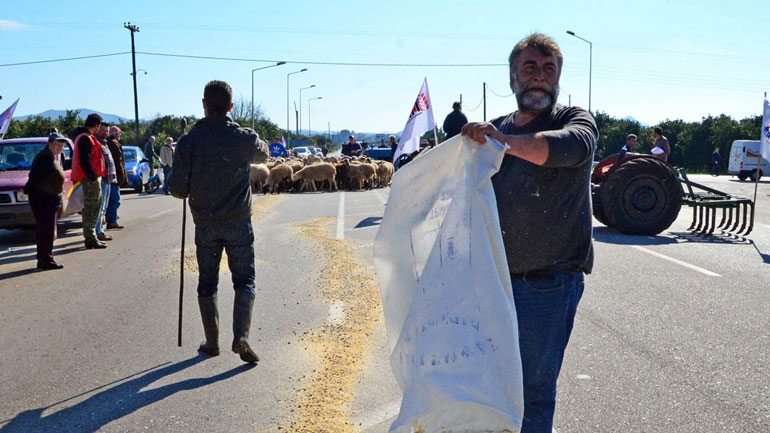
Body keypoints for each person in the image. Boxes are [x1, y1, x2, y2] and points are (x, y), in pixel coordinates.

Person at [461, 33, 597, 433]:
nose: (539, 77)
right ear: (512, 77)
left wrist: (502, 143)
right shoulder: (496, 129)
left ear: (558, 78)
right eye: (530, 68)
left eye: (548, 69)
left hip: (547, 286)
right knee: (488, 383)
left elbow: (569, 147)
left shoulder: (573, 120)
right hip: (491, 281)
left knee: (533, 394)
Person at [169, 80, 268, 364]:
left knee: (207, 283)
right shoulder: (241, 138)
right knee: (244, 280)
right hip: (238, 223)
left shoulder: (189, 141)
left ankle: (212, 342)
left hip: (206, 225)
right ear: (230, 107)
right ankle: (241, 338)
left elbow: (178, 190)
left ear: (203, 105)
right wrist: (245, 131)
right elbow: (263, 152)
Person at [23, 132, 68, 269]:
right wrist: (27, 190)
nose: (59, 147)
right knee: (47, 231)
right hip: (44, 200)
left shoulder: (50, 156)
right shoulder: (44, 159)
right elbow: (34, 179)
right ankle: (47, 260)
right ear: (49, 143)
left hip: (48, 198)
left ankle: (43, 259)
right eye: (56, 145)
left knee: (45, 231)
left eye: (61, 145)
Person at [71, 113, 107, 249]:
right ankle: (90, 238)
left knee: (94, 206)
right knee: (92, 208)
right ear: (96, 126)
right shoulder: (85, 138)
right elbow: (84, 160)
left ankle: (92, 237)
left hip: (92, 177)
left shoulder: (85, 137)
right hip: (89, 178)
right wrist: (92, 176)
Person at [94, 122, 115, 242]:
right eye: (102, 130)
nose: (105, 133)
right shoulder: (97, 143)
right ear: (97, 130)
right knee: (100, 207)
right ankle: (99, 232)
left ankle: (100, 230)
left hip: (108, 180)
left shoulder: (105, 143)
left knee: (104, 207)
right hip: (102, 179)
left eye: (106, 131)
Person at [105, 126, 126, 229]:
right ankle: (112, 220)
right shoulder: (113, 143)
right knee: (115, 199)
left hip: (112, 175)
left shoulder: (109, 143)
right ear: (114, 134)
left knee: (112, 199)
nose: (120, 136)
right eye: (118, 134)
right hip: (114, 175)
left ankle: (112, 218)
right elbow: (118, 161)